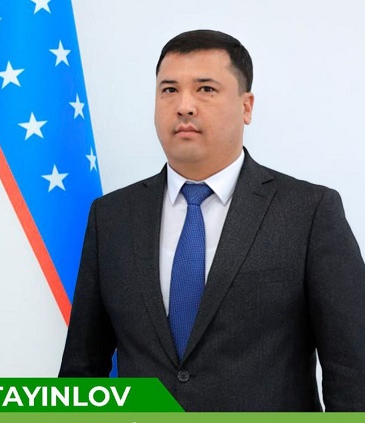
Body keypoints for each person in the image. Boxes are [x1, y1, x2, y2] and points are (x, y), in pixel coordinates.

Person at [59, 29, 365, 411]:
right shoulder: (112, 217)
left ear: (246, 107)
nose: (184, 106)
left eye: (205, 89)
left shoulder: (309, 211)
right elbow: (81, 373)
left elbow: (353, 371)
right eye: (169, 90)